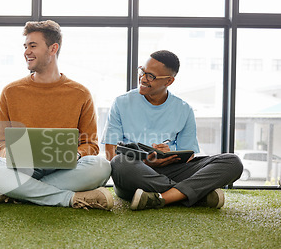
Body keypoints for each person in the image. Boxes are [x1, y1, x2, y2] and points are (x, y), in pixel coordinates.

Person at [0, 20, 113, 210]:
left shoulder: (80, 93)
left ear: (53, 48)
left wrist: (77, 153)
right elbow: (0, 142)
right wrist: (11, 155)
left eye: (33, 46)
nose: (26, 52)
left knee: (101, 167)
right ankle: (68, 199)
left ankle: (12, 191)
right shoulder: (10, 91)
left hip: (64, 168)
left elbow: (91, 145)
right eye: (25, 46)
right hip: (22, 169)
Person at [102, 50, 243, 210]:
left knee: (232, 161)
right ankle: (192, 195)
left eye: (150, 76)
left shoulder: (184, 109)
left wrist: (168, 156)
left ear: (169, 81)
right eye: (142, 71)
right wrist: (146, 162)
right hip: (135, 174)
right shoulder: (121, 103)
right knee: (119, 162)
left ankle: (161, 198)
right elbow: (110, 153)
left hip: (171, 170)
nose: (142, 78)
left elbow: (188, 155)